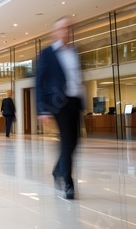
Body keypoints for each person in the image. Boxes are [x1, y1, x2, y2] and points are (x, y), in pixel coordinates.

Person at [36, 16, 83, 200]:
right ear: (55, 32)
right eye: (62, 28)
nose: (65, 31)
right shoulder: (47, 53)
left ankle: (57, 170)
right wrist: (42, 109)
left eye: (68, 28)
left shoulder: (75, 52)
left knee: (75, 141)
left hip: (75, 101)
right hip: (58, 104)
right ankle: (68, 184)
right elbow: (39, 82)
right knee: (66, 140)